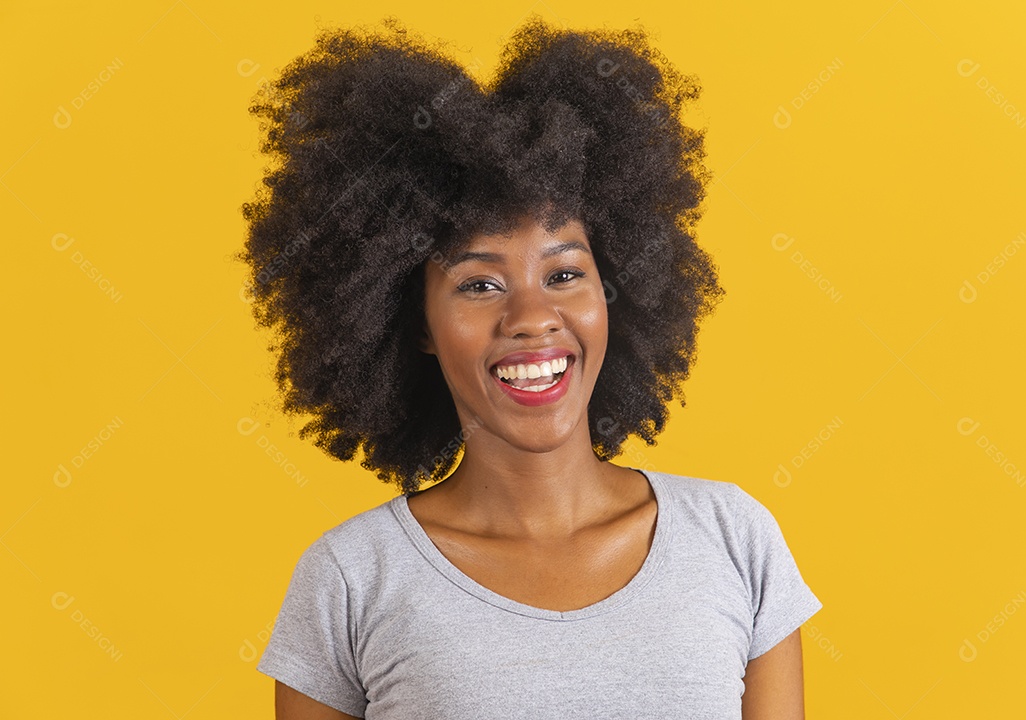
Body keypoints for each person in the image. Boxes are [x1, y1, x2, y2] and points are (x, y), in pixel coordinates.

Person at [238, 15, 822, 720]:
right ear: (415, 322)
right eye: (479, 284)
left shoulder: (733, 538)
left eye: (565, 273)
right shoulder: (352, 580)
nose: (530, 317)